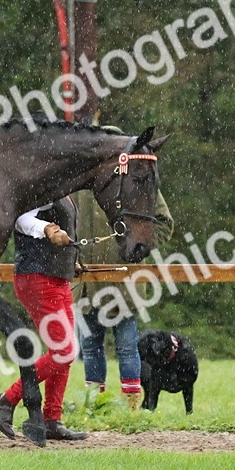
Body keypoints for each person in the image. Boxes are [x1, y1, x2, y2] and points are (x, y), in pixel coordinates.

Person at [0, 197, 87, 441]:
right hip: (37, 277)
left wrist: (69, 261)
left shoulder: (64, 189)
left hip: (57, 276)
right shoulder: (43, 183)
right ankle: (7, 399)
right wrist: (46, 229)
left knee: (64, 353)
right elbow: (21, 219)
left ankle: (52, 419)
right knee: (64, 351)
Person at [78, 173, 174, 409]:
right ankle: (94, 406)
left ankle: (130, 409)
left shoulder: (133, 173)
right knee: (91, 348)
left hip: (124, 282)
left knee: (127, 348)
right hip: (85, 283)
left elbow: (163, 222)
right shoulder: (77, 168)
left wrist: (138, 248)